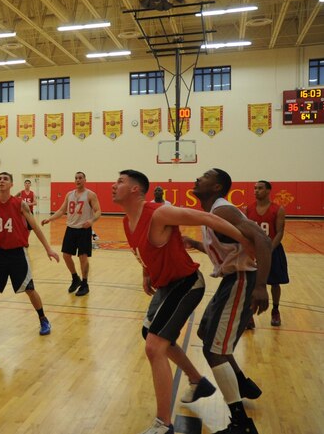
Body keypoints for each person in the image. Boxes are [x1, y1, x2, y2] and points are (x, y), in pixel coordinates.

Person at [112, 169, 255, 434]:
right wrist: (146, 272)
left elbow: (204, 217)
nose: (113, 185)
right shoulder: (125, 221)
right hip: (166, 286)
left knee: (154, 347)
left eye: (119, 181)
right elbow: (145, 250)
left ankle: (163, 424)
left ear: (135, 190)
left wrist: (244, 239)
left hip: (187, 284)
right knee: (150, 334)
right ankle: (196, 379)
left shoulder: (158, 213)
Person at [184, 168, 271, 434]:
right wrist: (195, 244)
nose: (199, 177)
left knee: (215, 351)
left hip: (243, 279)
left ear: (217, 186)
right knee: (206, 333)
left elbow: (263, 240)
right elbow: (229, 247)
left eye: (206, 175)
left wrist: (260, 287)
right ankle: (243, 384)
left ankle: (241, 424)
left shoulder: (223, 210)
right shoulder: (213, 214)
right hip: (231, 280)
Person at [0, 172, 60, 335]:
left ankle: (43, 319)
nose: (2, 181)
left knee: (29, 289)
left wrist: (48, 249)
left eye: (5, 179)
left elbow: (36, 227)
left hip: (18, 253)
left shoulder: (20, 204)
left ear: (11, 184)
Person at [41, 171, 101, 296]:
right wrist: (49, 219)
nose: (78, 180)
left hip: (84, 230)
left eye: (80, 178)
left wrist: (91, 221)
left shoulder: (90, 195)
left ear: (85, 180)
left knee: (82, 257)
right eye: (76, 178)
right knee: (66, 255)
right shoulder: (69, 194)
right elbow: (62, 210)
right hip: (71, 229)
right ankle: (75, 278)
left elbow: (98, 211)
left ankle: (85, 284)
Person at [245, 180, 289, 327]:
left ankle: (275, 310)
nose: (256, 191)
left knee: (275, 283)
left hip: (273, 250)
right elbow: (246, 233)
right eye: (255, 188)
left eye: (260, 188)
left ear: (268, 191)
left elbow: (280, 232)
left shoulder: (278, 209)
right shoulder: (248, 209)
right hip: (254, 251)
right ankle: (249, 315)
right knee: (251, 282)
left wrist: (269, 249)